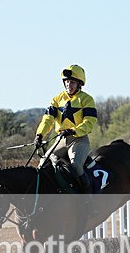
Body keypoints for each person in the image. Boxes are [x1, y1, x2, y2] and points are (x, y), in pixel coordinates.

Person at [34, 64, 98, 194]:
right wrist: (39, 135)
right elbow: (48, 120)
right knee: (42, 163)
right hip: (60, 140)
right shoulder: (57, 100)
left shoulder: (87, 99)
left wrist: (74, 130)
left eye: (73, 82)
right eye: (67, 82)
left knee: (76, 166)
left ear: (79, 84)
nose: (69, 85)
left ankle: (88, 199)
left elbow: (89, 122)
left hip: (78, 140)